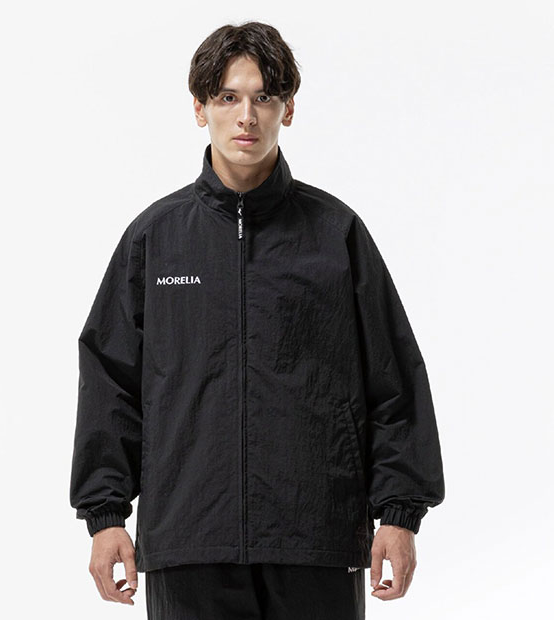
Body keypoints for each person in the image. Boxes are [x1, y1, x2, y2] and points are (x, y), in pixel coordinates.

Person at [69, 21, 445, 619]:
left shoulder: (336, 235)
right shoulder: (155, 239)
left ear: (287, 110)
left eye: (263, 97)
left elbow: (394, 379)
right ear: (200, 108)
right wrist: (106, 515)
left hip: (314, 540)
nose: (246, 116)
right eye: (228, 97)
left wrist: (398, 514)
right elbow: (110, 382)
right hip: (189, 543)